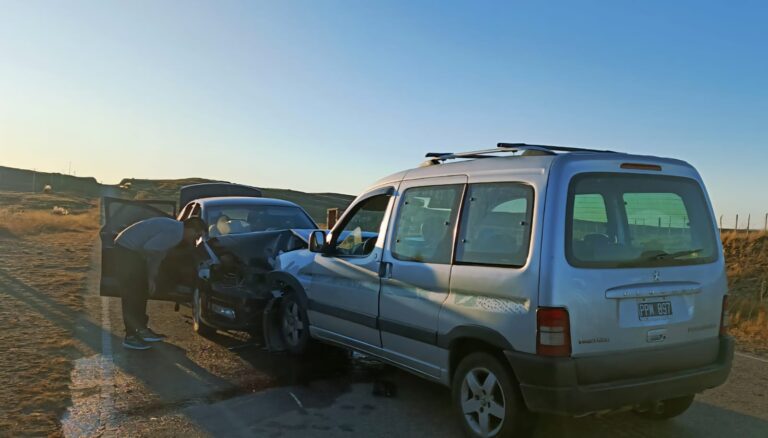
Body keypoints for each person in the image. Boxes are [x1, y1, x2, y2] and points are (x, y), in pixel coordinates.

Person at [113, 216, 206, 350]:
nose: (196, 239)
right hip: (125, 251)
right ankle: (130, 336)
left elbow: (157, 254)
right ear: (191, 229)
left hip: (133, 251)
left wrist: (150, 278)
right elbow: (151, 249)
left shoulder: (176, 230)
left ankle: (141, 329)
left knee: (141, 292)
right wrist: (150, 274)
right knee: (132, 295)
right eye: (197, 235)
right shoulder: (175, 233)